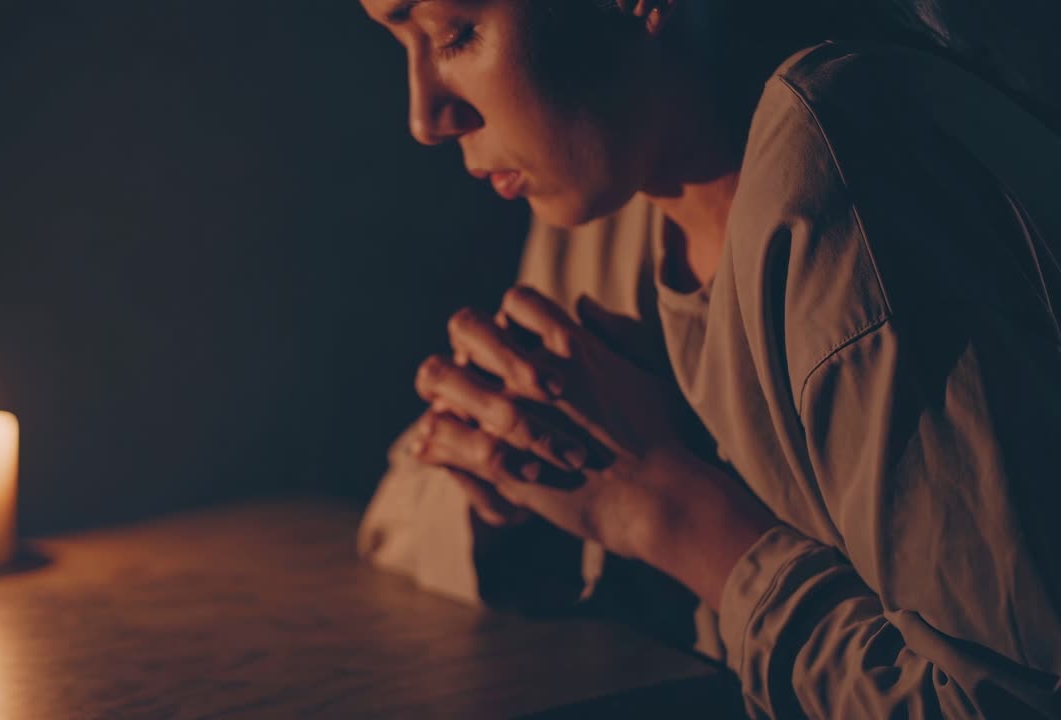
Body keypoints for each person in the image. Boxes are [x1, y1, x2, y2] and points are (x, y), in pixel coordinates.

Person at [356, 0, 1061, 717]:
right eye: (401, 41)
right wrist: (520, 474)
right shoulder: (609, 192)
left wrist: (676, 521)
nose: (424, 117)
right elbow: (396, 515)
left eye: (454, 33)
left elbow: (1002, 701)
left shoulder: (843, 176)